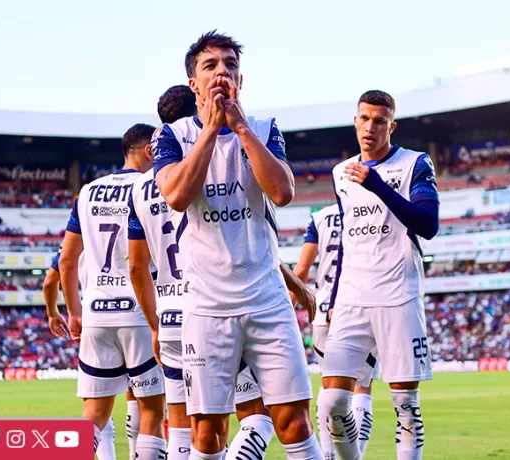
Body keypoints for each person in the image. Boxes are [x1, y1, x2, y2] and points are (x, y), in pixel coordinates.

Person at [151, 31, 323, 460]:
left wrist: (240, 127)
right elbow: (175, 196)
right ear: (193, 83)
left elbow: (282, 192)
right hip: (207, 305)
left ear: (240, 81)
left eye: (229, 65)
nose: (221, 73)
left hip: (266, 299)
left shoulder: (264, 128)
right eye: (210, 66)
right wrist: (211, 131)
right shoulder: (171, 135)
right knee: (207, 432)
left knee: (294, 421)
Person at [318, 90, 439, 460]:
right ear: (355, 121)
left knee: (405, 406)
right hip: (352, 298)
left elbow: (427, 224)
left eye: (379, 121)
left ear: (392, 125)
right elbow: (347, 242)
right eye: (364, 119)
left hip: (399, 295)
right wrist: (335, 299)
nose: (370, 127)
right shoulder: (341, 173)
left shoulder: (415, 163)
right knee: (331, 403)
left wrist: (377, 185)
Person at [59, 124, 167, 460]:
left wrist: (74, 313)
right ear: (149, 150)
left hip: (95, 314)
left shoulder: (88, 192)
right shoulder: (154, 187)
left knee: (94, 414)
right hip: (139, 311)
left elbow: (66, 261)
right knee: (151, 411)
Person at [293, 203, 379, 458]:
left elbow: (301, 271)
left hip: (322, 311)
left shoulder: (319, 217)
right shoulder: (371, 208)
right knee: (361, 389)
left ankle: (329, 454)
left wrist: (288, 309)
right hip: (360, 306)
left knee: (328, 388)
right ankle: (355, 455)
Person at [44, 250, 117, 460]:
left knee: (98, 406)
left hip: (93, 319)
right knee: (145, 406)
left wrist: (54, 313)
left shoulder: (75, 238)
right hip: (135, 315)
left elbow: (50, 282)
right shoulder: (132, 221)